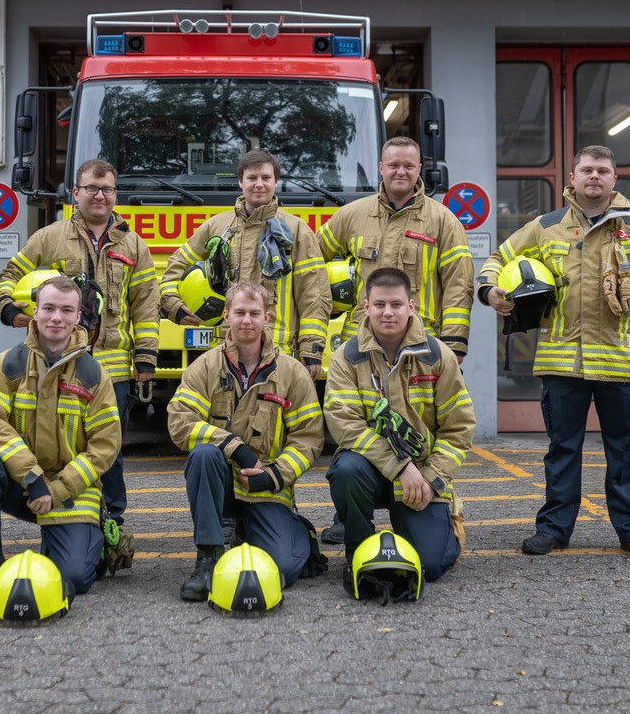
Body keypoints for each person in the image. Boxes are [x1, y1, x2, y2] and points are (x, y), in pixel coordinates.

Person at [477, 145, 630, 561]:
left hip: (622, 361)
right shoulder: (545, 226)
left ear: (614, 180)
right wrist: (491, 291)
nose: (594, 176)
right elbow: (496, 259)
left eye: (602, 170)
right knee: (562, 450)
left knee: (624, 451)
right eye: (586, 170)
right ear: (571, 178)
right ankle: (553, 529)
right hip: (561, 361)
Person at [315, 135, 474, 545]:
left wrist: (453, 344)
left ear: (420, 169)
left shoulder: (442, 220)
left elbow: (459, 282)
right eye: (393, 165)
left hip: (421, 350)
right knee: (358, 431)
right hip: (360, 349)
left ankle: (433, 493)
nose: (401, 172)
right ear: (381, 168)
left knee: (422, 426)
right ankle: (349, 515)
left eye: (409, 165)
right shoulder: (352, 215)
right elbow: (313, 263)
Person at [0, 158, 158, 527]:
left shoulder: (134, 244)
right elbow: (10, 274)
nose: (99, 196)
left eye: (107, 189)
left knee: (109, 448)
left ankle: (111, 518)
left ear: (115, 195)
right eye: (91, 189)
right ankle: (68, 512)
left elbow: (146, 303)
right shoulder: (49, 237)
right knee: (64, 443)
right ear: (76, 193)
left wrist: (146, 356)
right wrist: (10, 309)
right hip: (55, 364)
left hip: (113, 367)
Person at [0, 275, 121, 607]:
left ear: (78, 316)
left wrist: (57, 488)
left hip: (68, 489)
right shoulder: (4, 366)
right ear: (35, 311)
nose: (56, 318)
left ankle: (92, 545)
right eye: (48, 308)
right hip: (21, 482)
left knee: (73, 579)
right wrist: (32, 477)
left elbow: (104, 447)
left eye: (66, 310)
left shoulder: (94, 375)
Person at [166, 281, 325, 601]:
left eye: (254, 313)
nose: (246, 320)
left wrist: (274, 474)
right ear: (226, 316)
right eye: (239, 312)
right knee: (203, 456)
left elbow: (308, 438)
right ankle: (208, 559)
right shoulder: (206, 366)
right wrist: (235, 448)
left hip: (266, 484)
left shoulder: (292, 373)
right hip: (222, 483)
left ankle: (295, 534)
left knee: (282, 572)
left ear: (267, 317)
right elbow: (180, 422)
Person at [324, 267, 475, 588]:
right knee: (346, 467)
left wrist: (433, 480)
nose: (387, 312)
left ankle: (448, 520)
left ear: (412, 306)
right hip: (372, 471)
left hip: (422, 478)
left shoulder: (437, 356)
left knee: (430, 566)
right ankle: (357, 550)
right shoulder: (347, 357)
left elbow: (459, 428)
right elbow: (345, 425)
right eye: (379, 305)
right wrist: (399, 466)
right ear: (365, 307)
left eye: (396, 304)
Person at [160, 148, 331, 381]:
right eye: (252, 178)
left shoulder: (297, 230)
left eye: (266, 178)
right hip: (223, 349)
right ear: (241, 182)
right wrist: (173, 306)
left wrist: (311, 350)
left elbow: (314, 293)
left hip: (278, 353)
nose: (259, 184)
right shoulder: (217, 227)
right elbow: (176, 266)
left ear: (276, 182)